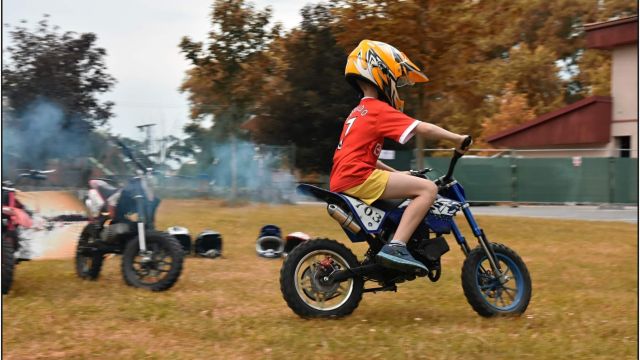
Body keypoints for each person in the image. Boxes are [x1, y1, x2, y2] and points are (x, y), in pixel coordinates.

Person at [329, 39, 470, 273]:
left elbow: (367, 158)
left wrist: (397, 174)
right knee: (428, 189)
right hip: (359, 177)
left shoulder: (358, 112)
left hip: (346, 177)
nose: (397, 86)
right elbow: (421, 128)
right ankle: (396, 246)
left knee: (412, 192)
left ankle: (388, 244)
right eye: (397, 80)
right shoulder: (377, 109)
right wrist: (458, 139)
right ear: (381, 72)